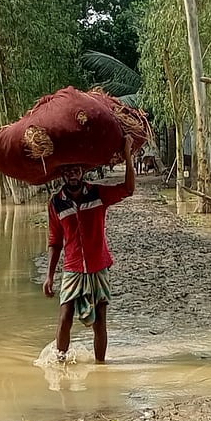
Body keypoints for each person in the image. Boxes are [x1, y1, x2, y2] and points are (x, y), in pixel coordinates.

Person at [43, 136, 136, 363]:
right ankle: (60, 362)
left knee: (100, 320)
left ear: (83, 172)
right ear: (62, 175)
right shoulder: (56, 203)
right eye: (68, 171)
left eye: (76, 170)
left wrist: (127, 153)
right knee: (65, 317)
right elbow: (55, 242)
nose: (72, 174)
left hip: (98, 266)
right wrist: (49, 276)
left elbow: (128, 189)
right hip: (72, 269)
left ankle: (100, 366)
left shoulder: (97, 194)